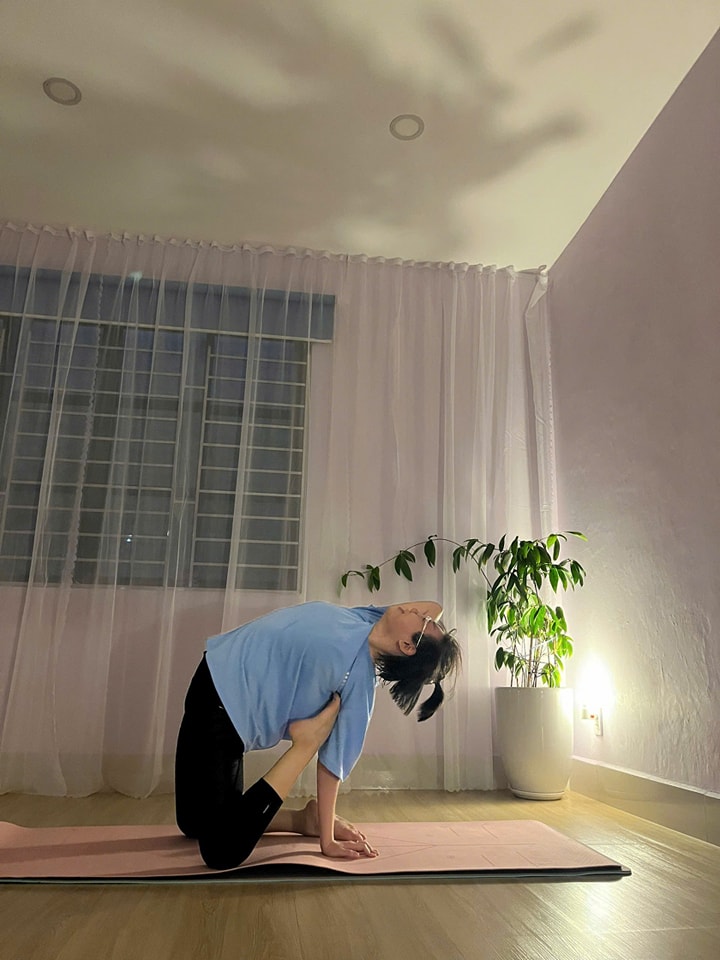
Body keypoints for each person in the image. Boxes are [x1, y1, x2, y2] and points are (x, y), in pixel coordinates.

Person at [175, 600, 461, 870]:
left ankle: (304, 752)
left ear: (407, 645)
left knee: (218, 849)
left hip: (223, 715)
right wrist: (428, 631)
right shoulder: (366, 618)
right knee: (194, 820)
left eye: (423, 621)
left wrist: (328, 840)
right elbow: (435, 606)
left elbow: (333, 764)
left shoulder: (359, 683)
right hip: (213, 672)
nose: (417, 610)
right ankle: (300, 820)